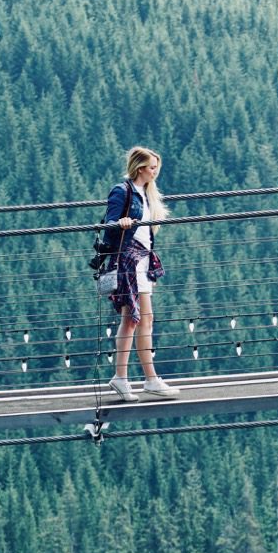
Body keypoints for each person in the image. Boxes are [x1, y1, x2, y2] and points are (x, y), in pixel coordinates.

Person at [102, 146, 180, 401]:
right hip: (128, 262)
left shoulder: (146, 194)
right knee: (132, 319)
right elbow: (109, 224)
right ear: (139, 168)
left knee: (144, 319)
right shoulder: (122, 192)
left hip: (142, 262)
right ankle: (124, 378)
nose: (155, 171)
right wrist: (120, 222)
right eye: (151, 167)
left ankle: (148, 379)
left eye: (156, 167)